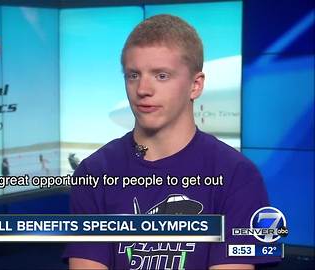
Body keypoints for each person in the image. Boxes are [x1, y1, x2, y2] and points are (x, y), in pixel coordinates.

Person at [64, 15, 277, 270]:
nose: (143, 89)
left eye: (161, 75)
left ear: (195, 86)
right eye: (133, 75)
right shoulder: (93, 173)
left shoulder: (237, 176)